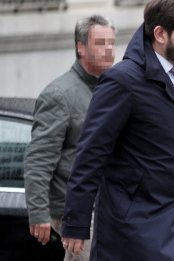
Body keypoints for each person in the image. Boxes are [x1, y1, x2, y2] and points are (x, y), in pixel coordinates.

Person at [61, 0, 174, 260]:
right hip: (130, 227)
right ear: (161, 34)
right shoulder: (122, 81)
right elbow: (90, 154)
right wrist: (76, 221)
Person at [23, 15, 115, 261]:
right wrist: (39, 214)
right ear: (80, 47)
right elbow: (38, 160)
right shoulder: (60, 94)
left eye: (112, 43)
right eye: (101, 43)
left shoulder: (109, 88)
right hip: (76, 210)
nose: (109, 50)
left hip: (105, 207)